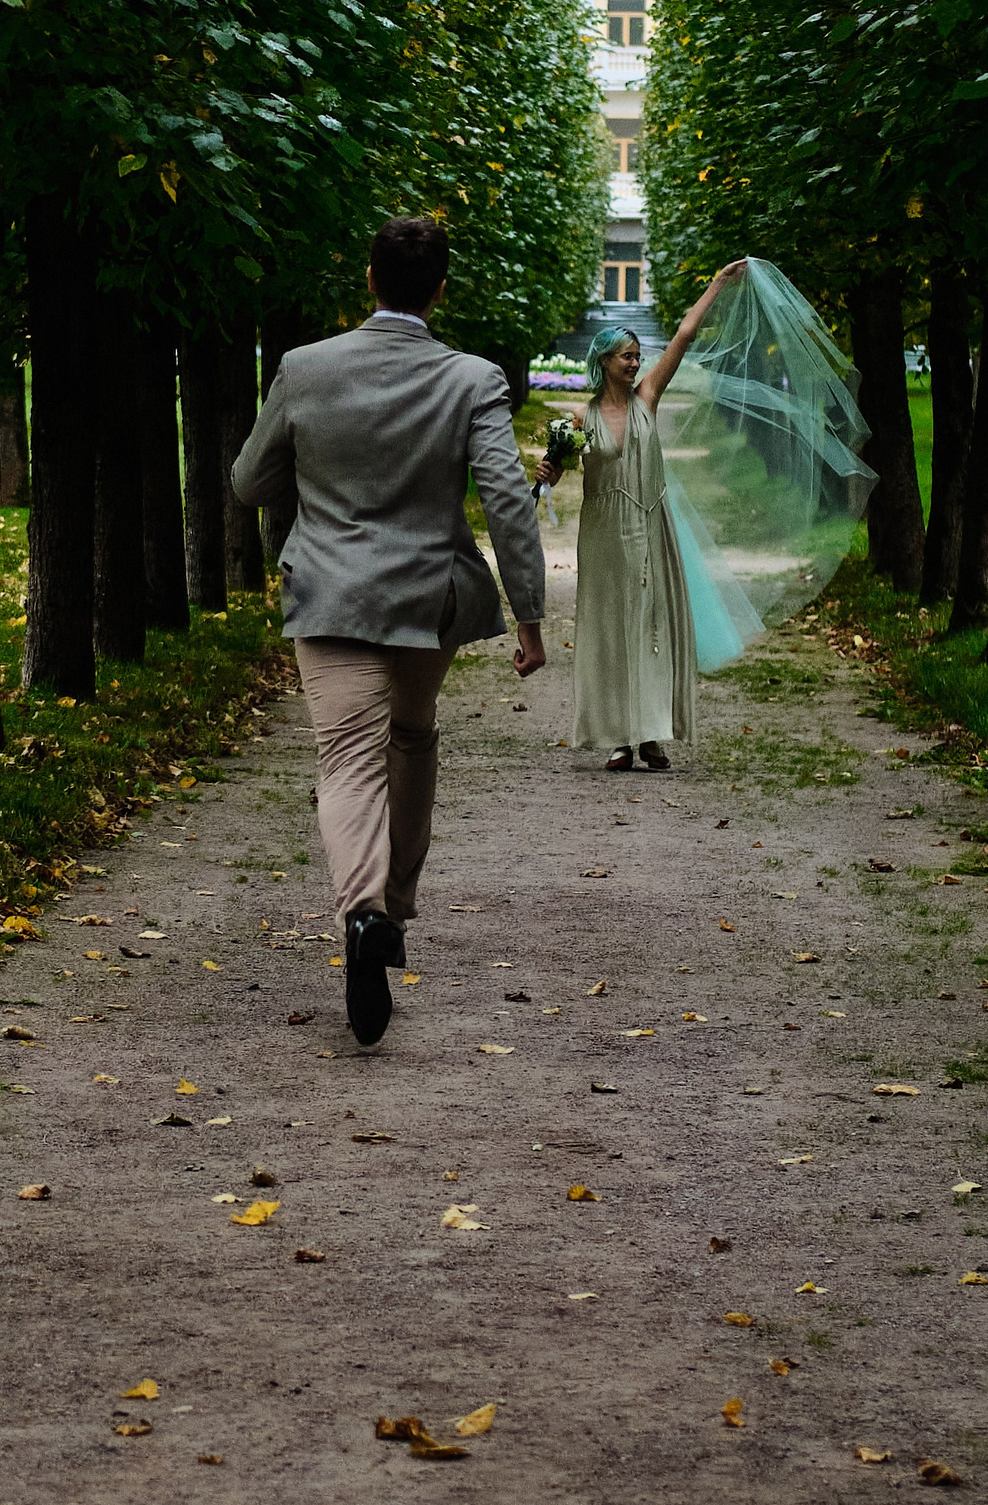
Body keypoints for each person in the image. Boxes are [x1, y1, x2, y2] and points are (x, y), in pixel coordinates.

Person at [229, 215, 547, 1046]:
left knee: (347, 759)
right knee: (410, 736)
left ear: (368, 280)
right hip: (426, 600)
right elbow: (506, 500)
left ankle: (362, 912)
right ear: (439, 290)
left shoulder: (304, 368)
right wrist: (529, 614)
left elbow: (250, 482)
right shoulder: (473, 379)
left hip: (329, 593)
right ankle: (393, 908)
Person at [539, 261, 744, 770]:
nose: (635, 363)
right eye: (626, 356)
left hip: (651, 527)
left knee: (651, 628)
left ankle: (651, 735)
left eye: (637, 356)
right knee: (611, 629)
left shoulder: (647, 399)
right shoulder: (579, 419)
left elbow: (684, 336)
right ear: (604, 361)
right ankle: (618, 737)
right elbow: (557, 474)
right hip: (603, 535)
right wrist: (547, 470)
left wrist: (717, 284)